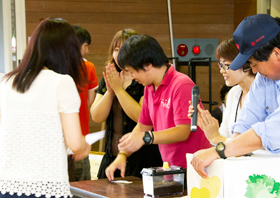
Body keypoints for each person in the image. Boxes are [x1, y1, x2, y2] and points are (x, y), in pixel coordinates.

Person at [0, 18, 91, 198]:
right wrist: (85, 147)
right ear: (67, 51)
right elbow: (75, 144)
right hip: (46, 188)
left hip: (4, 187)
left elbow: (9, 130)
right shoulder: (61, 82)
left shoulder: (7, 82)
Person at [191, 14, 280, 178]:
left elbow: (275, 129)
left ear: (276, 54)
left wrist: (220, 151)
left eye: (255, 64)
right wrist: (233, 152)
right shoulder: (264, 79)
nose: (253, 71)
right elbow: (246, 121)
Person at [105, 34, 211, 181]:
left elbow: (183, 131)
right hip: (171, 168)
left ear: (148, 65)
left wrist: (146, 138)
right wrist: (122, 155)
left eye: (131, 71)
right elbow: (143, 126)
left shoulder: (182, 85)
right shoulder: (149, 87)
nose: (131, 76)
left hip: (195, 168)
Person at [90, 30, 163, 179]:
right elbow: (96, 116)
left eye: (123, 49)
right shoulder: (110, 75)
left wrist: (118, 90)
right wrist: (110, 92)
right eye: (116, 49)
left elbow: (141, 117)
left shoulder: (144, 79)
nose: (118, 54)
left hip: (141, 158)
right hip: (112, 156)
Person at [188, 37, 255, 144]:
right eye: (220, 65)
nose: (221, 70)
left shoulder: (263, 93)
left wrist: (216, 137)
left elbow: (254, 145)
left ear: (245, 63)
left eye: (226, 65)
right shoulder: (234, 93)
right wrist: (206, 124)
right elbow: (224, 135)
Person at [67, 25, 98, 185]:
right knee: (83, 185)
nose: (86, 51)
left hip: (60, 140)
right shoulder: (88, 67)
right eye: (85, 46)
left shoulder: (56, 68)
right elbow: (90, 101)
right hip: (81, 134)